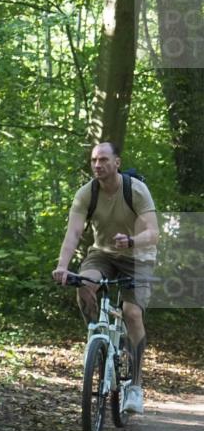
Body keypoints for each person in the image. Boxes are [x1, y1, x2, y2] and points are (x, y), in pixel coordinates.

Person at [52, 142, 159, 414]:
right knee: (84, 285)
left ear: (117, 162)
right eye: (93, 161)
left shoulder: (135, 190)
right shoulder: (86, 193)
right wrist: (63, 267)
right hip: (102, 254)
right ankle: (97, 341)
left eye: (103, 160)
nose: (97, 165)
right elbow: (73, 233)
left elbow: (153, 233)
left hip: (138, 257)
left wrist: (132, 240)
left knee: (132, 313)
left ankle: (134, 385)